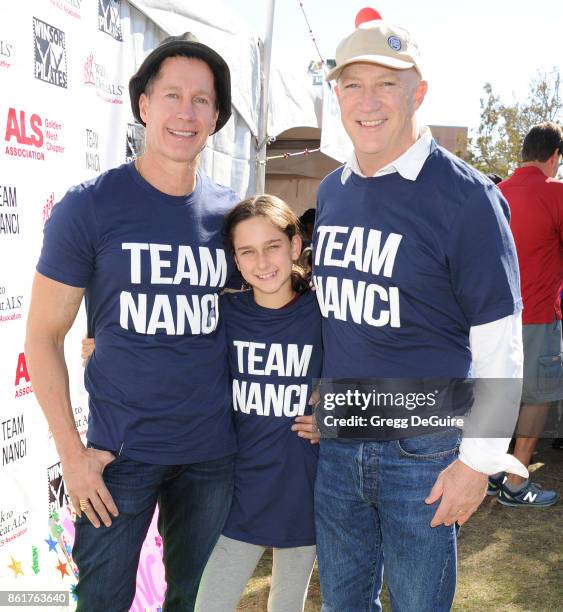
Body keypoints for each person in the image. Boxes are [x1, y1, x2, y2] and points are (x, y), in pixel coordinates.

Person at [312, 13, 528, 611]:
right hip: (341, 438)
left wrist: (478, 462)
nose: (369, 101)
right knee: (342, 605)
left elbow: (499, 343)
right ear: (337, 96)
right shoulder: (331, 191)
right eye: (353, 85)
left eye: (388, 84)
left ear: (419, 93)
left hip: (427, 448)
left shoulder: (466, 197)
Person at [25, 33, 238, 611]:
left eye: (201, 100)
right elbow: (43, 335)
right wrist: (70, 453)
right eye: (172, 95)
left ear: (216, 117)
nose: (185, 112)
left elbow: (260, 318)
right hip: (119, 457)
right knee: (103, 601)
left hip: (212, 454)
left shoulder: (231, 214)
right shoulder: (89, 206)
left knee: (195, 601)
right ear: (143, 104)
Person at [195, 195, 322, 611]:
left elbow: (371, 365)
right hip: (239, 488)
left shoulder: (325, 312)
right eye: (247, 251)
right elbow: (169, 354)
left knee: (287, 604)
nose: (262, 262)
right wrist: (103, 347)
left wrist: (337, 413)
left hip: (304, 484)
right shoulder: (222, 312)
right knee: (210, 602)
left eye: (272, 246)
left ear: (295, 245)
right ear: (234, 258)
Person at [492, 122, 563, 507]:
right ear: (554, 156)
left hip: (493, 318)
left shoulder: (495, 191)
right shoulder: (556, 193)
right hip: (536, 314)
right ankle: (516, 481)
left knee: (496, 393)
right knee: (537, 396)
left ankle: (488, 472)